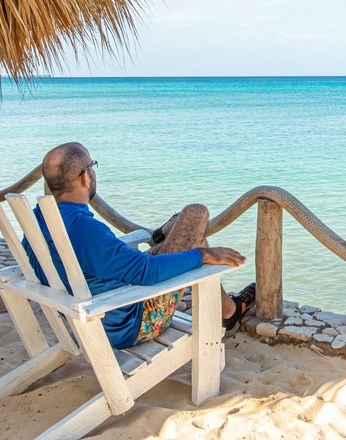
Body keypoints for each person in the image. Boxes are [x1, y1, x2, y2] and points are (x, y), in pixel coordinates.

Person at [22, 142, 256, 350]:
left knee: (185, 226)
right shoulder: (85, 230)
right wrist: (203, 255)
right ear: (86, 177)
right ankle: (229, 311)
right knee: (196, 214)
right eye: (92, 165)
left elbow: (105, 261)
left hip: (82, 314)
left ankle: (228, 310)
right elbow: (148, 272)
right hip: (128, 321)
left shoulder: (36, 220)